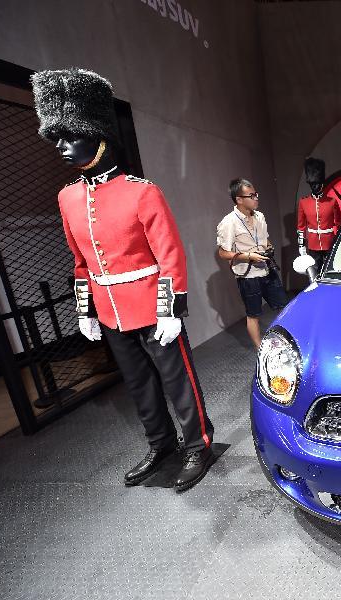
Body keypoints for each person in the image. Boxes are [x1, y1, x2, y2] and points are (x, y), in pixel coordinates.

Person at [31, 68, 214, 491]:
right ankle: (160, 443)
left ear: (97, 136)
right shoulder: (67, 197)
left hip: (151, 305)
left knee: (177, 380)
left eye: (69, 135)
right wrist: (86, 310)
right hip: (110, 310)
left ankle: (197, 445)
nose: (60, 145)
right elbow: (79, 259)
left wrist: (171, 309)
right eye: (56, 137)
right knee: (138, 384)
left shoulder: (141, 191)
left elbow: (170, 254)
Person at [217, 178, 288, 349]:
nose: (256, 198)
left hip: (267, 268)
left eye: (256, 194)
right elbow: (222, 252)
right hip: (248, 276)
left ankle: (287, 343)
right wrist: (247, 256)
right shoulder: (229, 222)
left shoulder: (260, 216)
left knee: (283, 308)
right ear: (239, 199)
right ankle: (260, 349)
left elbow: (264, 238)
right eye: (252, 195)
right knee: (254, 314)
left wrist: (268, 247)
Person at [296, 157, 341, 268]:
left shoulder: (332, 202)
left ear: (322, 183)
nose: (315, 186)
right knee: (315, 272)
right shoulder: (304, 202)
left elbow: (339, 223)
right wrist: (301, 245)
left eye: (317, 183)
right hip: (313, 244)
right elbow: (301, 226)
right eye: (312, 184)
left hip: (329, 242)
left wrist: (338, 240)